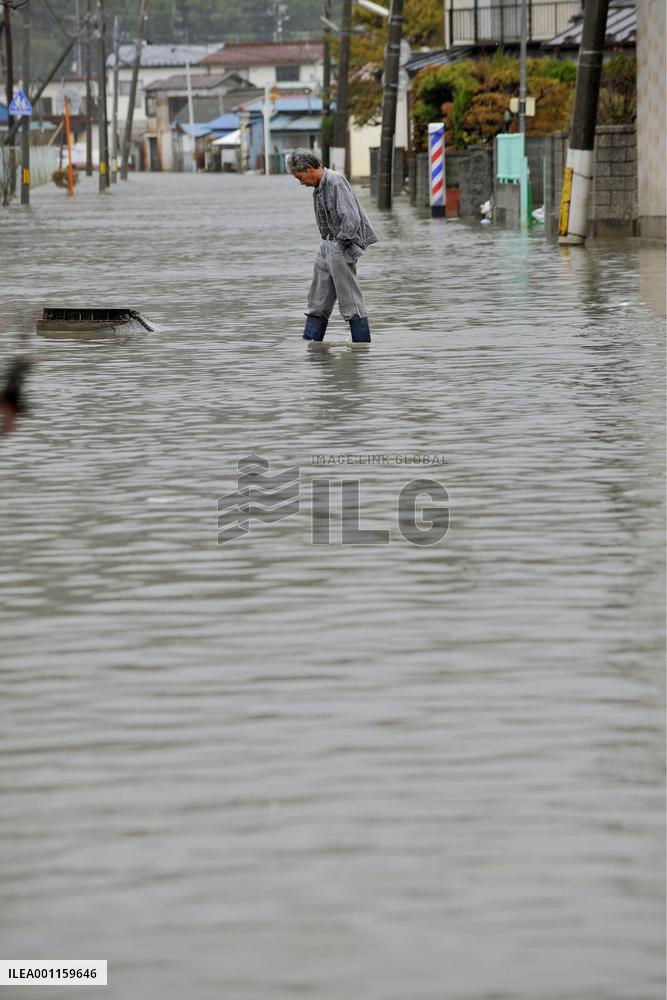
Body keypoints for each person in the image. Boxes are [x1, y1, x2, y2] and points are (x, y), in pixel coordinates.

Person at [287, 149, 379, 343]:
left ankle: (362, 349)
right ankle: (312, 347)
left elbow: (351, 219)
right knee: (317, 300)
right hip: (327, 245)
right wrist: (330, 245)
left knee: (350, 300)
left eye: (300, 177)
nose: (301, 182)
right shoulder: (318, 188)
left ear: (309, 168)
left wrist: (340, 245)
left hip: (342, 245)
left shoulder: (335, 181)